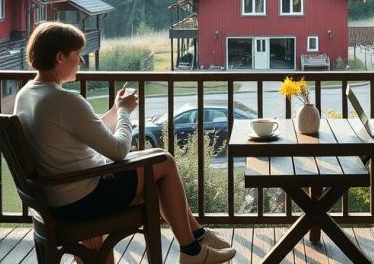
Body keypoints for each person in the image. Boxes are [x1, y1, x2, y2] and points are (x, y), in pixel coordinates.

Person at [14, 21, 236, 264]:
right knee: (163, 161)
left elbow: (85, 130)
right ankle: (193, 249)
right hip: (82, 199)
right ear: (59, 57)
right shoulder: (63, 100)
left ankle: (195, 239)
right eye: (77, 55)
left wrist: (114, 109)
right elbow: (119, 151)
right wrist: (124, 112)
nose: (81, 61)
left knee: (157, 162)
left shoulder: (27, 94)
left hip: (55, 197)